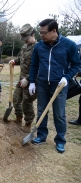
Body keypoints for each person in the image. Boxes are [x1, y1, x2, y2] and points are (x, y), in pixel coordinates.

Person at [28, 18, 80, 153]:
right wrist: (32, 81)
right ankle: (41, 136)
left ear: (54, 31)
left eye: (44, 32)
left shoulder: (69, 45)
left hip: (59, 85)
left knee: (59, 114)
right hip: (43, 84)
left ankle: (60, 140)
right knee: (41, 111)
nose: (41, 35)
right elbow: (34, 65)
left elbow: (76, 65)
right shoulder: (39, 46)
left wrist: (66, 77)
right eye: (40, 32)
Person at [7, 24, 37, 133]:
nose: (25, 41)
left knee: (27, 101)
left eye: (26, 38)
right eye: (23, 39)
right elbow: (20, 58)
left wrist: (28, 79)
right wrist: (14, 61)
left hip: (32, 80)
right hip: (21, 79)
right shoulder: (25, 47)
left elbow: (39, 67)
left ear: (33, 34)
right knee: (16, 98)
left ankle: (28, 123)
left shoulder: (38, 47)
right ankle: (18, 119)